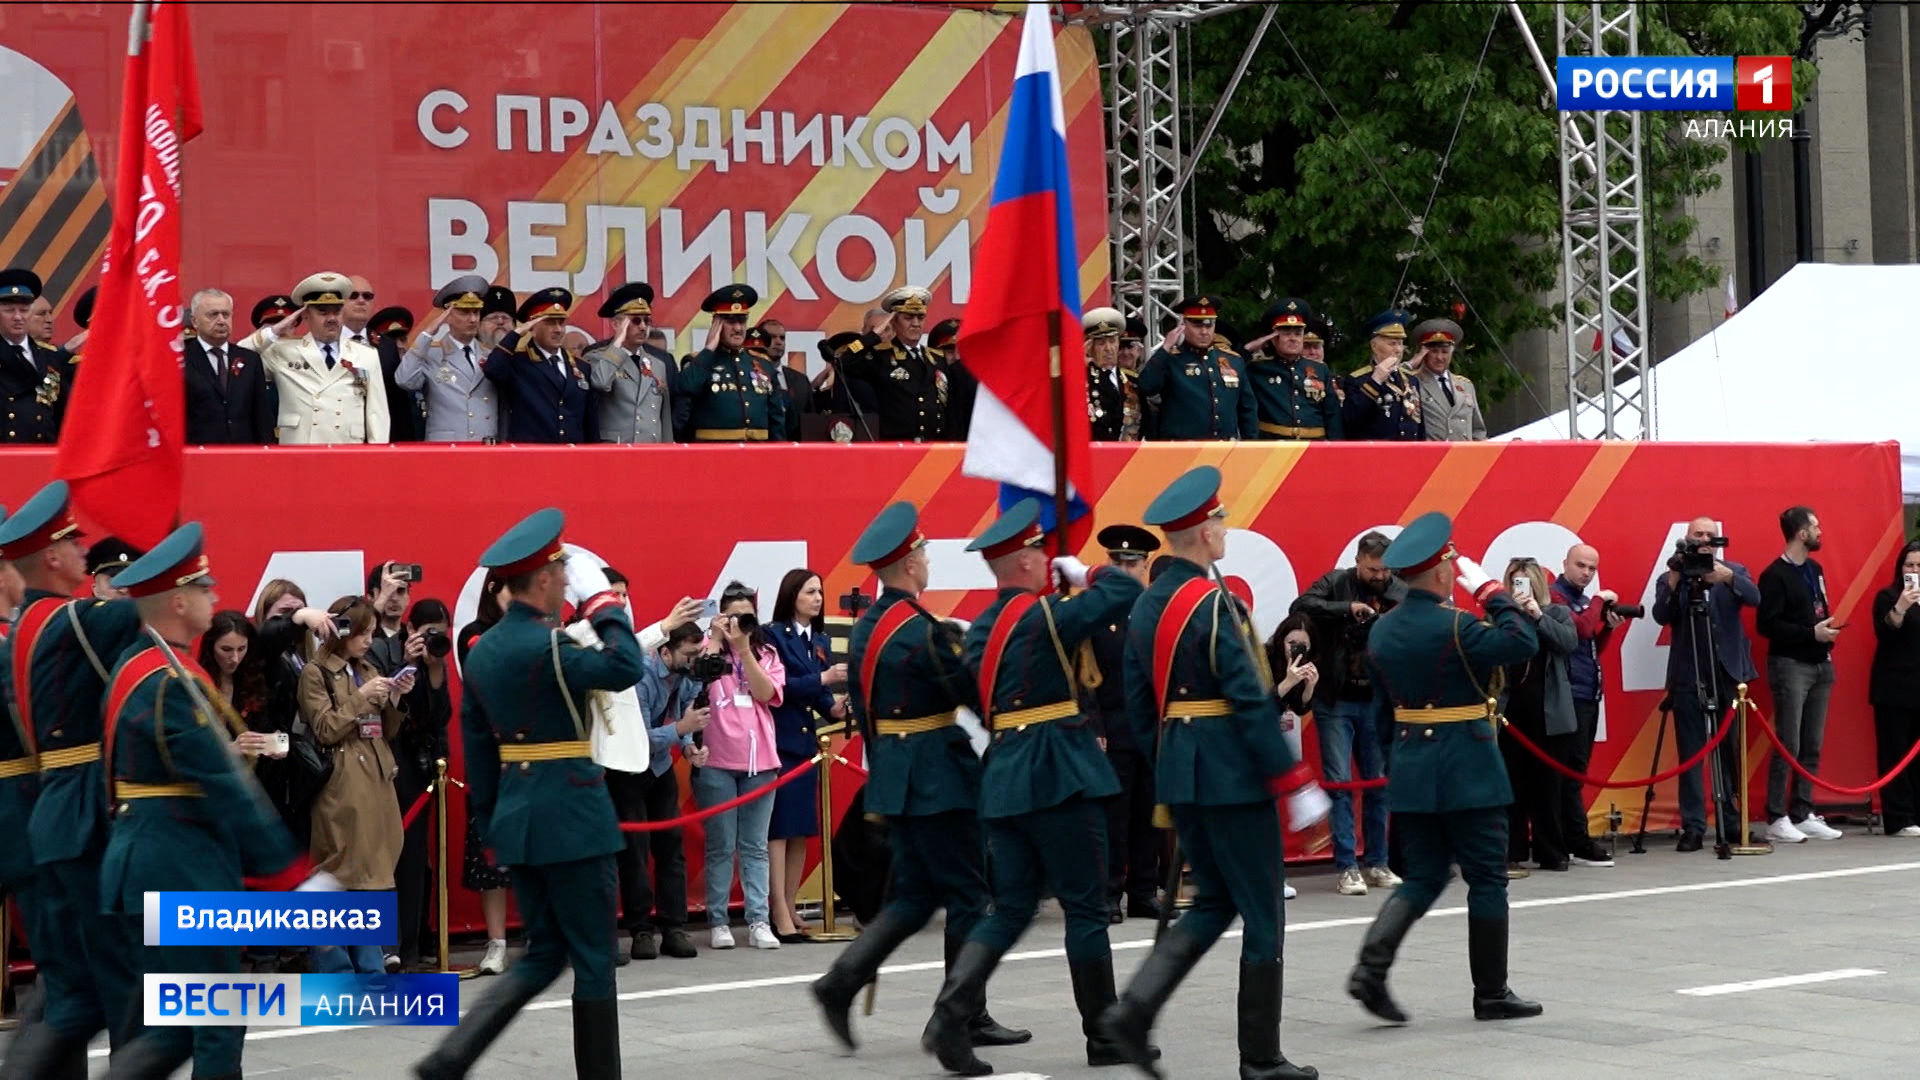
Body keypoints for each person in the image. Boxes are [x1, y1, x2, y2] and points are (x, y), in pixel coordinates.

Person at [1095, 467, 1329, 1080]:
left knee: (1212, 904)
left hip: (1184, 768)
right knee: (1262, 912)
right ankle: (1261, 1057)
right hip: (1232, 773)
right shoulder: (1214, 604)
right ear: (1203, 531)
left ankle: (1134, 1012)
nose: (1225, 528)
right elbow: (1249, 699)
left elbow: (1141, 703)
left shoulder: (1148, 603)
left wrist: (1170, 763)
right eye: (1220, 519)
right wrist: (1293, 783)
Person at [94, 522, 330, 1080]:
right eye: (205, 589)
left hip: (139, 864)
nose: (216, 597)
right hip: (182, 871)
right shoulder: (171, 682)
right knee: (214, 1022)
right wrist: (293, 874)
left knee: (155, 1026)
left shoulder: (135, 667)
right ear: (178, 600)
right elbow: (224, 783)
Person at [413, 509, 643, 1080]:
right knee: (593, 959)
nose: (568, 580)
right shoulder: (550, 648)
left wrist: (492, 824)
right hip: (572, 815)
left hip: (519, 818)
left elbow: (477, 743)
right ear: (541, 578)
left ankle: (453, 1055)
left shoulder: (484, 649)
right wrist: (604, 606)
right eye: (562, 571)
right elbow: (626, 666)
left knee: (543, 953)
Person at [923, 500, 1146, 1075]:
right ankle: (1104, 1035)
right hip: (1060, 774)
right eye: (1043, 553)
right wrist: (1088, 573)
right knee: (1086, 907)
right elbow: (1124, 593)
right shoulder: (1043, 616)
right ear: (1024, 560)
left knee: (1012, 908)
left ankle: (950, 1016)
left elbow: (980, 703)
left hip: (1006, 775)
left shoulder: (983, 630)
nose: (1050, 561)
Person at [811, 502, 1029, 1057]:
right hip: (940, 778)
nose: (928, 560)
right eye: (925, 552)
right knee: (969, 895)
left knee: (913, 895)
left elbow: (862, 707)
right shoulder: (921, 631)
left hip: (895, 777)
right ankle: (960, 1017)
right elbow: (967, 693)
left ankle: (841, 982)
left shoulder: (866, 630)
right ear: (910, 563)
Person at [1345, 511, 1543, 1026]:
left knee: (1424, 877)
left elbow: (1383, 712)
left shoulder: (1382, 631)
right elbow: (1523, 641)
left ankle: (1371, 966)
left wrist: (1397, 762)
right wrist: (1492, 590)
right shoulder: (1458, 626)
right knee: (1486, 878)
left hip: (1413, 766)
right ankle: (1492, 992)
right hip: (1469, 768)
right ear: (1440, 572)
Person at [0, 481, 146, 1073]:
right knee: (112, 982)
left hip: (48, 816)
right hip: (62, 815)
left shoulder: (29, 628)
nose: (85, 555)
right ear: (52, 556)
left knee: (70, 986)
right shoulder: (62, 624)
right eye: (73, 544)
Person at [1289, 531, 1406, 895]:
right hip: (1335, 699)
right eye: (1373, 569)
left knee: (1378, 783)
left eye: (1385, 570)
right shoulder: (1336, 582)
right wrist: (1345, 610)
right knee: (1340, 784)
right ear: (1358, 561)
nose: (1380, 576)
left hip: (1377, 698)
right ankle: (1347, 867)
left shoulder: (1398, 589)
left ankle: (1378, 862)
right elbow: (1301, 606)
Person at [301, 598, 412, 974]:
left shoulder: (367, 668)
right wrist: (361, 698)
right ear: (342, 630)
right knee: (340, 870)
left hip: (378, 777)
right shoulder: (316, 671)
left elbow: (388, 729)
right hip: (343, 780)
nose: (368, 640)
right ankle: (334, 967)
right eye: (362, 632)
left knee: (374, 871)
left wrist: (394, 697)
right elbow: (325, 728)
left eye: (371, 632)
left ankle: (370, 963)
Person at [1652, 516, 1760, 852]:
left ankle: (1730, 822)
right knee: (1691, 754)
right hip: (1688, 674)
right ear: (1686, 539)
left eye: (1709, 535)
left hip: (1727, 673)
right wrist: (1675, 577)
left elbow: (1754, 598)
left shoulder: (1734, 570)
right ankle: (1693, 827)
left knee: (1728, 753)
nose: (1703, 539)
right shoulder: (1674, 577)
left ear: (1719, 540)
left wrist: (1725, 576)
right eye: (1697, 534)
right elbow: (1661, 615)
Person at [694, 582, 786, 951]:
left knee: (755, 845)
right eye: (732, 615)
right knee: (720, 845)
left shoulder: (765, 652)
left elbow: (767, 694)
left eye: (745, 616)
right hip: (716, 759)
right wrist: (715, 639)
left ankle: (759, 920)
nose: (738, 623)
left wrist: (745, 651)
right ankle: (718, 921)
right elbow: (696, 680)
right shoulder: (708, 649)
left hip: (760, 760)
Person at [1085, 524, 1166, 923]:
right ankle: (1109, 893)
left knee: (1149, 814)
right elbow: (1084, 673)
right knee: (1113, 818)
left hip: (1149, 727)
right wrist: (1094, 724)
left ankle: (1144, 892)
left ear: (1145, 566)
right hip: (1112, 725)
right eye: (1116, 561)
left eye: (1130, 563)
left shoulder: (1154, 610)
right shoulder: (1095, 610)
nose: (1123, 568)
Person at [764, 568, 849, 942]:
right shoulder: (772, 635)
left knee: (799, 829)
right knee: (778, 830)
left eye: (819, 592)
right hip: (778, 741)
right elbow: (777, 688)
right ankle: (776, 908)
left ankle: (791, 902)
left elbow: (821, 700)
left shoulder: (820, 639)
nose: (816, 598)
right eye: (809, 591)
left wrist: (836, 705)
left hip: (805, 745)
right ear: (791, 595)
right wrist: (822, 681)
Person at [621, 620, 712, 962]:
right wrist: (682, 730)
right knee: (634, 851)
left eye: (698, 653)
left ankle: (674, 926)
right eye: (689, 654)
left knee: (672, 847)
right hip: (629, 767)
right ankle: (640, 929)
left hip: (661, 767)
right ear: (664, 652)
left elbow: (684, 719)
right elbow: (639, 737)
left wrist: (690, 746)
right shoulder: (640, 676)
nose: (694, 660)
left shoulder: (690, 676)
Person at [1756, 506, 1844, 843]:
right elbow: (1767, 624)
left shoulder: (1816, 568)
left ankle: (1803, 810)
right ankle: (1777, 816)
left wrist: (1826, 631)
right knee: (1788, 742)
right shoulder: (1774, 575)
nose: (1821, 531)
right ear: (1801, 534)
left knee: (1812, 743)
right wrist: (1810, 634)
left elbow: (1818, 608)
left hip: (1821, 663)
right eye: (1816, 526)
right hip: (1791, 665)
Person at [1495, 558, 1578, 874]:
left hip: (1548, 713)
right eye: (1515, 582)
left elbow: (1569, 643)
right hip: (1510, 714)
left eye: (1526, 582)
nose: (1520, 589)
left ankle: (1552, 850)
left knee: (1548, 787)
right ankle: (1512, 849)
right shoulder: (1500, 617)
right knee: (1511, 786)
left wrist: (1537, 615)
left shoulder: (1557, 613)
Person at [1550, 544, 1625, 866]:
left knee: (1576, 772)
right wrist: (1598, 602)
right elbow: (1579, 629)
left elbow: (1590, 644)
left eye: (1592, 568)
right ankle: (1576, 841)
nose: (1586, 573)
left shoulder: (1582, 601)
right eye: (1581, 565)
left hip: (1588, 692)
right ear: (1564, 563)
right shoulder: (1557, 597)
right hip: (1569, 695)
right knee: (1570, 774)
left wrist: (1608, 625)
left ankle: (1570, 839)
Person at [254, 271, 393, 444]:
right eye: (323, 312)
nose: (331, 318)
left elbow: (376, 412)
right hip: (301, 448)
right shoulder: (283, 351)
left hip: (347, 449)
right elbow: (240, 357)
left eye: (337, 311)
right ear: (305, 315)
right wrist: (273, 332)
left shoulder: (366, 354)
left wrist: (377, 454)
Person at [391, 598, 454, 972]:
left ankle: (413, 946)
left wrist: (434, 670)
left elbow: (439, 716)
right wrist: (408, 662)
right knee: (391, 862)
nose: (432, 639)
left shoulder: (436, 663)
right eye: (425, 632)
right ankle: (390, 947)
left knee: (417, 862)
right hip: (394, 765)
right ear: (410, 629)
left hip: (424, 768)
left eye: (439, 634)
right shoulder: (393, 651)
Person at [456, 573, 513, 974]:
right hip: (492, 763)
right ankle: (496, 943)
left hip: (537, 760)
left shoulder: (545, 631)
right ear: (494, 589)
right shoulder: (475, 635)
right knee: (490, 859)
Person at [483, 287, 597, 443]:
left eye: (561, 323)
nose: (558, 329)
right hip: (532, 458)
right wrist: (516, 334)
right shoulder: (518, 363)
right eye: (550, 323)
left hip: (573, 457)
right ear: (533, 328)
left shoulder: (581, 367)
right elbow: (492, 369)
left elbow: (590, 422)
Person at [396, 275, 501, 443]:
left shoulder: (491, 355)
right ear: (448, 316)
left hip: (485, 448)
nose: (473, 319)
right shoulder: (431, 353)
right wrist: (427, 334)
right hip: (446, 449)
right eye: (465, 312)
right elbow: (405, 380)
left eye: (476, 312)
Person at [1135, 295, 1256, 440]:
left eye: (1209, 325)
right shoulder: (1172, 359)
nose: (1204, 331)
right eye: (1197, 326)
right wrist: (1165, 348)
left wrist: (1251, 444)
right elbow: (1146, 386)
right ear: (1184, 326)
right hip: (1183, 449)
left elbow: (1247, 409)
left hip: (1224, 448)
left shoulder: (1234, 360)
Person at [840, 286, 950, 442]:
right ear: (894, 321)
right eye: (908, 318)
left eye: (920, 317)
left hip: (934, 447)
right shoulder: (881, 356)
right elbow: (843, 363)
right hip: (897, 447)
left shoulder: (936, 358)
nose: (915, 323)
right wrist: (873, 336)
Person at [677, 284, 784, 442]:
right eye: (731, 321)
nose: (738, 328)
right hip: (714, 455)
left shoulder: (762, 365)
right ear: (716, 324)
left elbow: (777, 419)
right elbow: (685, 389)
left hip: (757, 455)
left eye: (742, 321)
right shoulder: (699, 362)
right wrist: (708, 350)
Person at [1870, 540, 1920, 837]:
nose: (1914, 570)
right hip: (1894, 690)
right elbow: (1885, 632)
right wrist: (1901, 606)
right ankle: (1899, 817)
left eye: (1919, 566)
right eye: (1909, 565)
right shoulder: (1887, 596)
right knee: (1896, 752)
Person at [183, 288, 276, 444]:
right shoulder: (181, 360)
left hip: (243, 454)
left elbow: (261, 416)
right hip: (198, 454)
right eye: (213, 315)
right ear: (194, 321)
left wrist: (266, 455)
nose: (221, 321)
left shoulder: (250, 360)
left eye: (226, 314)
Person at [587, 282, 675, 444]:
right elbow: (601, 382)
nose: (643, 327)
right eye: (635, 321)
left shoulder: (657, 364)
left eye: (646, 321)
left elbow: (664, 416)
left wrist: (668, 449)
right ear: (616, 324)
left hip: (651, 450)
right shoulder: (599, 358)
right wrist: (618, 342)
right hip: (617, 451)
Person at [1245, 298, 1341, 440]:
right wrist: (1249, 349)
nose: (1293, 338)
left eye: (1298, 333)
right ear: (1273, 338)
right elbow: (1235, 366)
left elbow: (1332, 415)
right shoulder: (1258, 369)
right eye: (1286, 333)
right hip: (1274, 446)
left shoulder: (1320, 369)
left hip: (1314, 446)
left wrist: (1335, 448)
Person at [1341, 310, 1424, 441]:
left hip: (1409, 455)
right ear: (1374, 346)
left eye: (1400, 343)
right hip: (1375, 456)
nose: (1398, 350)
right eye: (1392, 344)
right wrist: (1375, 380)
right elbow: (1351, 419)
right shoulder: (1359, 380)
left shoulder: (1411, 380)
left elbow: (1419, 426)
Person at [1406, 319, 1486, 441]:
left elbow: (1478, 431)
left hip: (1463, 455)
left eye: (1445, 352)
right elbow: (1394, 379)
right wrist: (1412, 363)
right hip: (1433, 456)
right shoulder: (1413, 382)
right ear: (1424, 353)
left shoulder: (1465, 385)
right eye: (1434, 352)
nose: (1440, 357)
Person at [198, 610, 267, 728]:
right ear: (211, 647)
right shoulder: (196, 682)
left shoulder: (254, 679)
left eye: (241, 649)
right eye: (226, 649)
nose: (235, 658)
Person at [1084, 307, 1143, 442]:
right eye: (1101, 343)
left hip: (1128, 456)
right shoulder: (1083, 379)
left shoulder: (1131, 381)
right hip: (1096, 454)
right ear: (1090, 348)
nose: (1109, 349)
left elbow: (1144, 423)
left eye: (1112, 341)